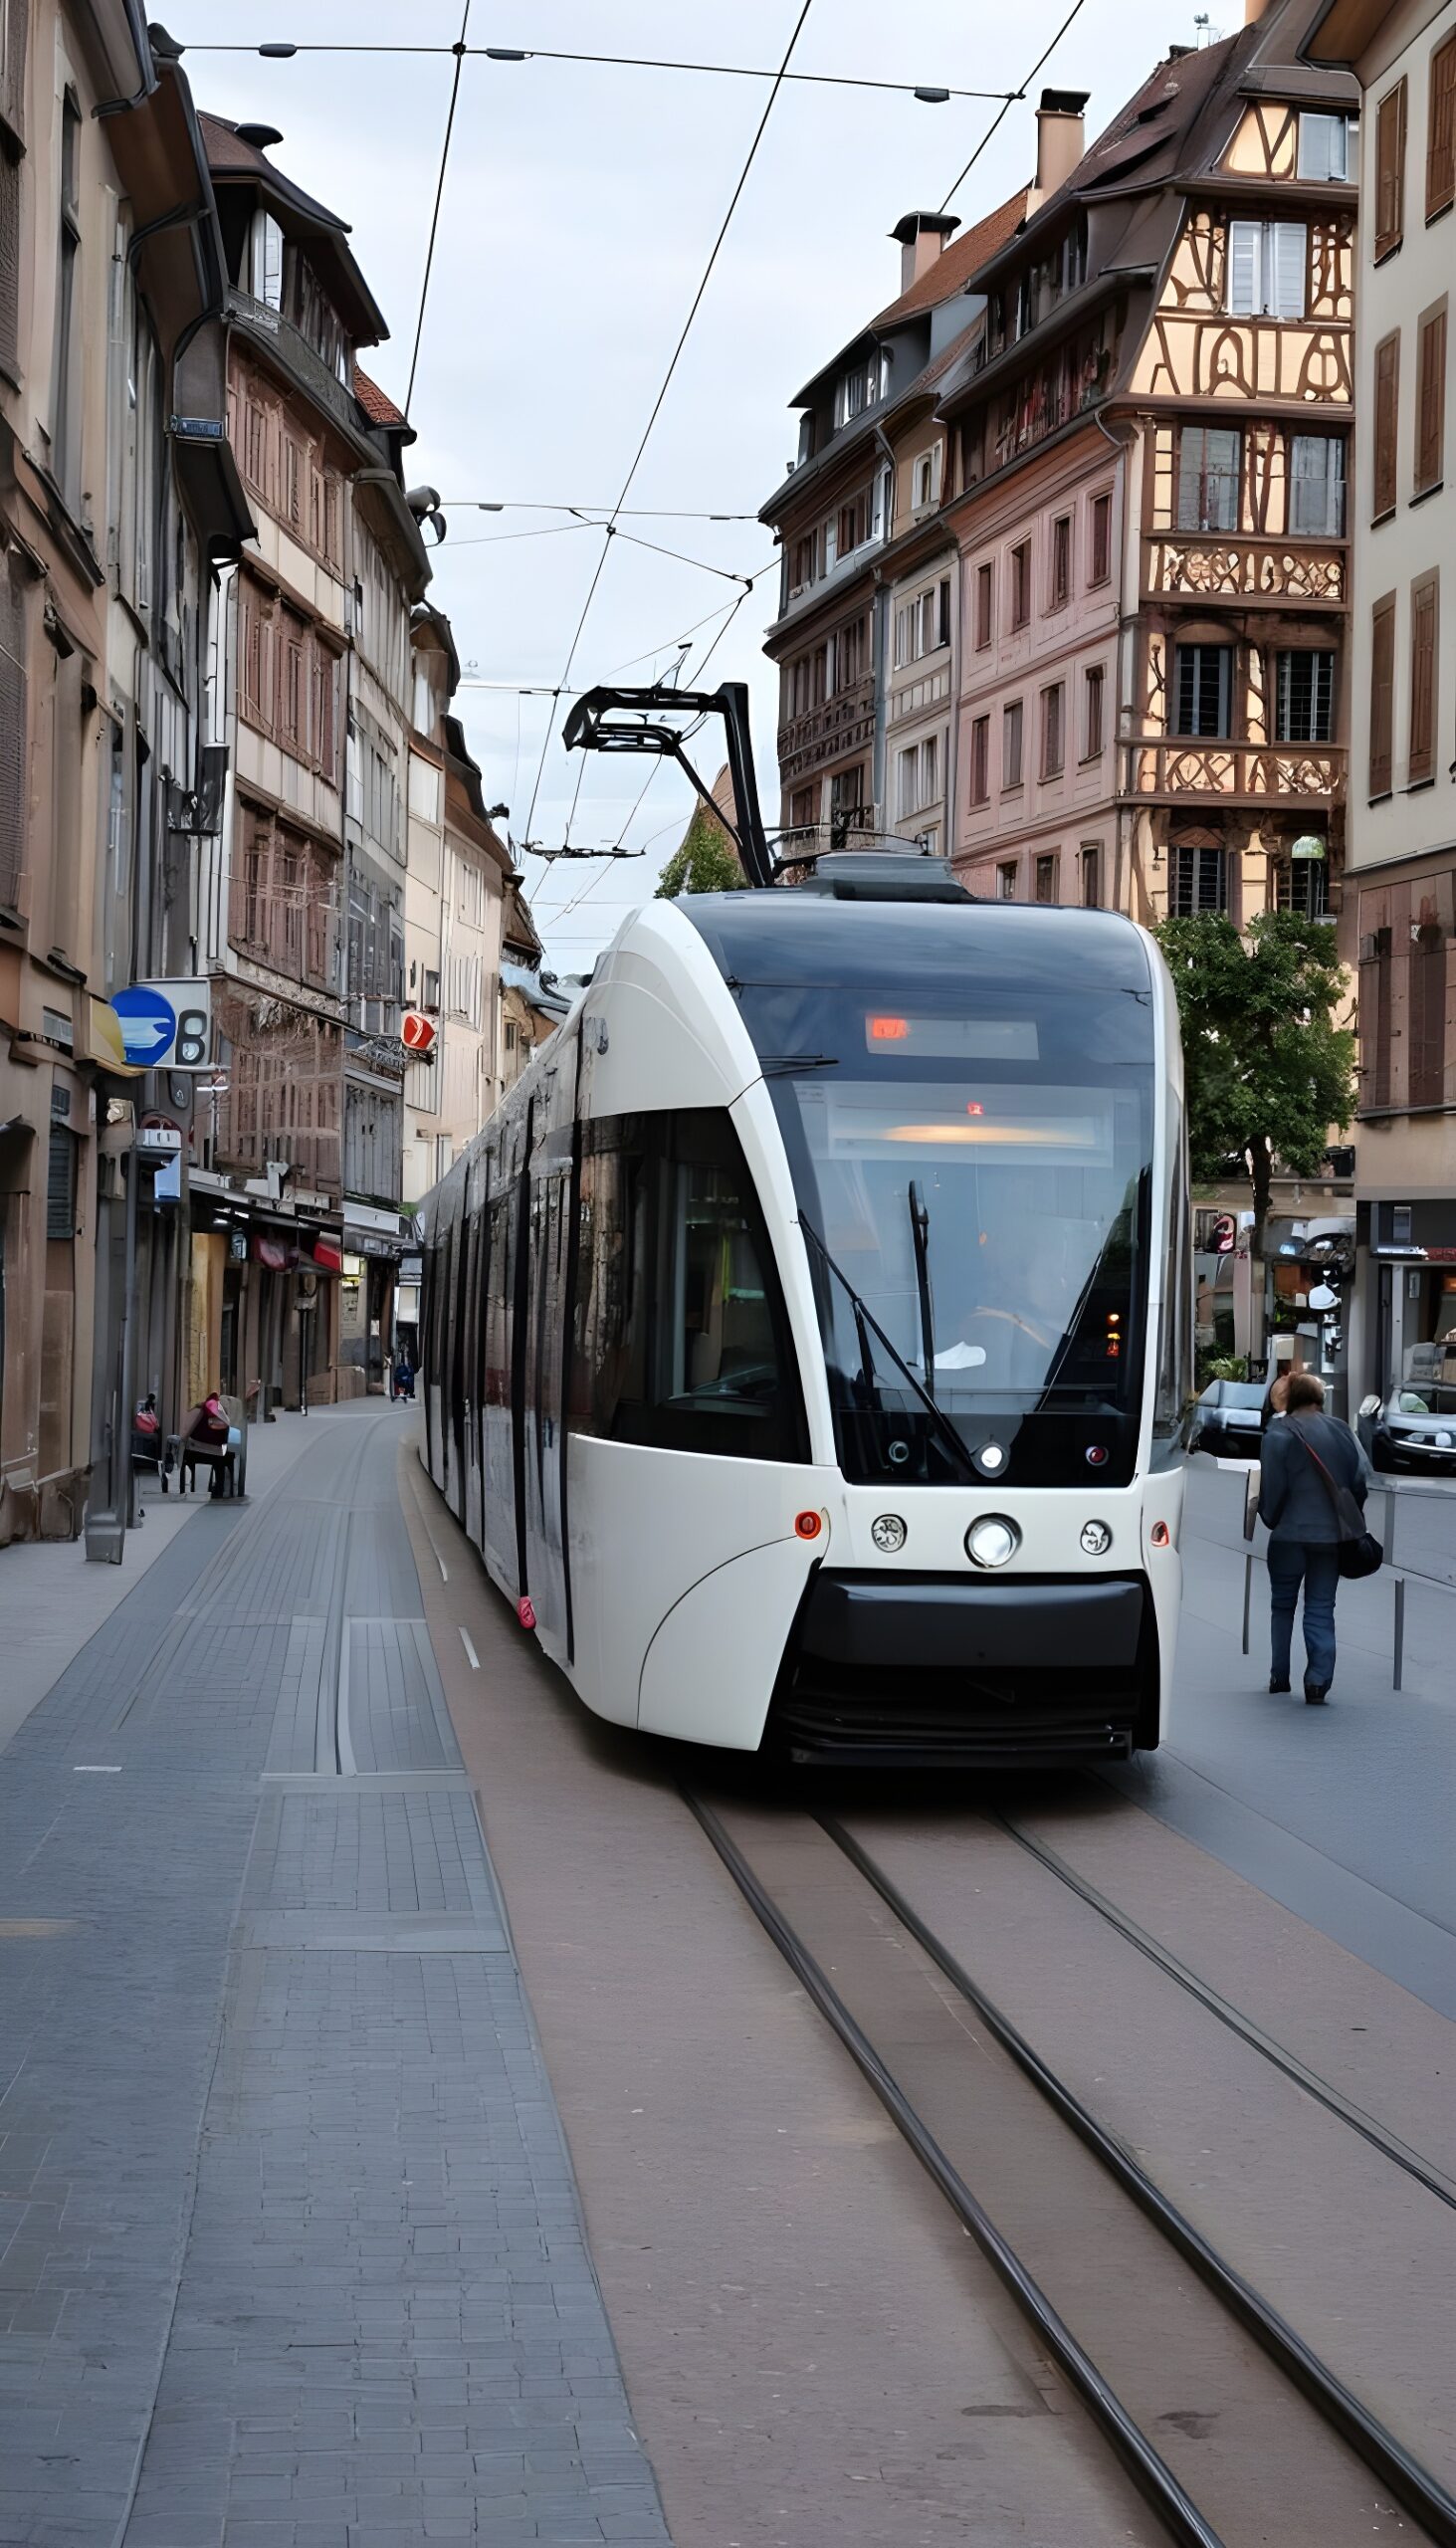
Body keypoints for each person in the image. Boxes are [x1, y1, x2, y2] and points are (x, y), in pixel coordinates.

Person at [1257, 1370, 1367, 1704]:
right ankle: (1318, 1680)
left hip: (1289, 1535)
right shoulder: (1342, 1429)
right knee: (1321, 1606)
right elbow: (1360, 1478)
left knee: (1282, 1605)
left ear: (1289, 1400)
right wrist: (1349, 1513)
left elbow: (1272, 1489)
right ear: (1320, 1399)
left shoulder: (1278, 1433)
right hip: (1330, 1536)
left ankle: (1279, 1675)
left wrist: (1269, 1517)